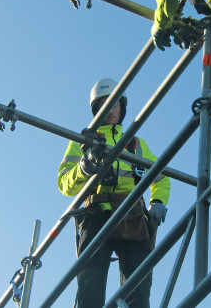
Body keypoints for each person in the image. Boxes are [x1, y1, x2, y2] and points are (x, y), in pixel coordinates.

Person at [58, 78, 170, 308]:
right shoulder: (82, 142)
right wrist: (81, 170)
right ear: (95, 108)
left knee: (138, 287)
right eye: (103, 103)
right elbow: (64, 185)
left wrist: (157, 200)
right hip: (95, 214)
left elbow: (161, 175)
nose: (110, 109)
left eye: (115, 103)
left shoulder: (136, 144)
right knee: (90, 281)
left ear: (122, 107)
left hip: (132, 215)